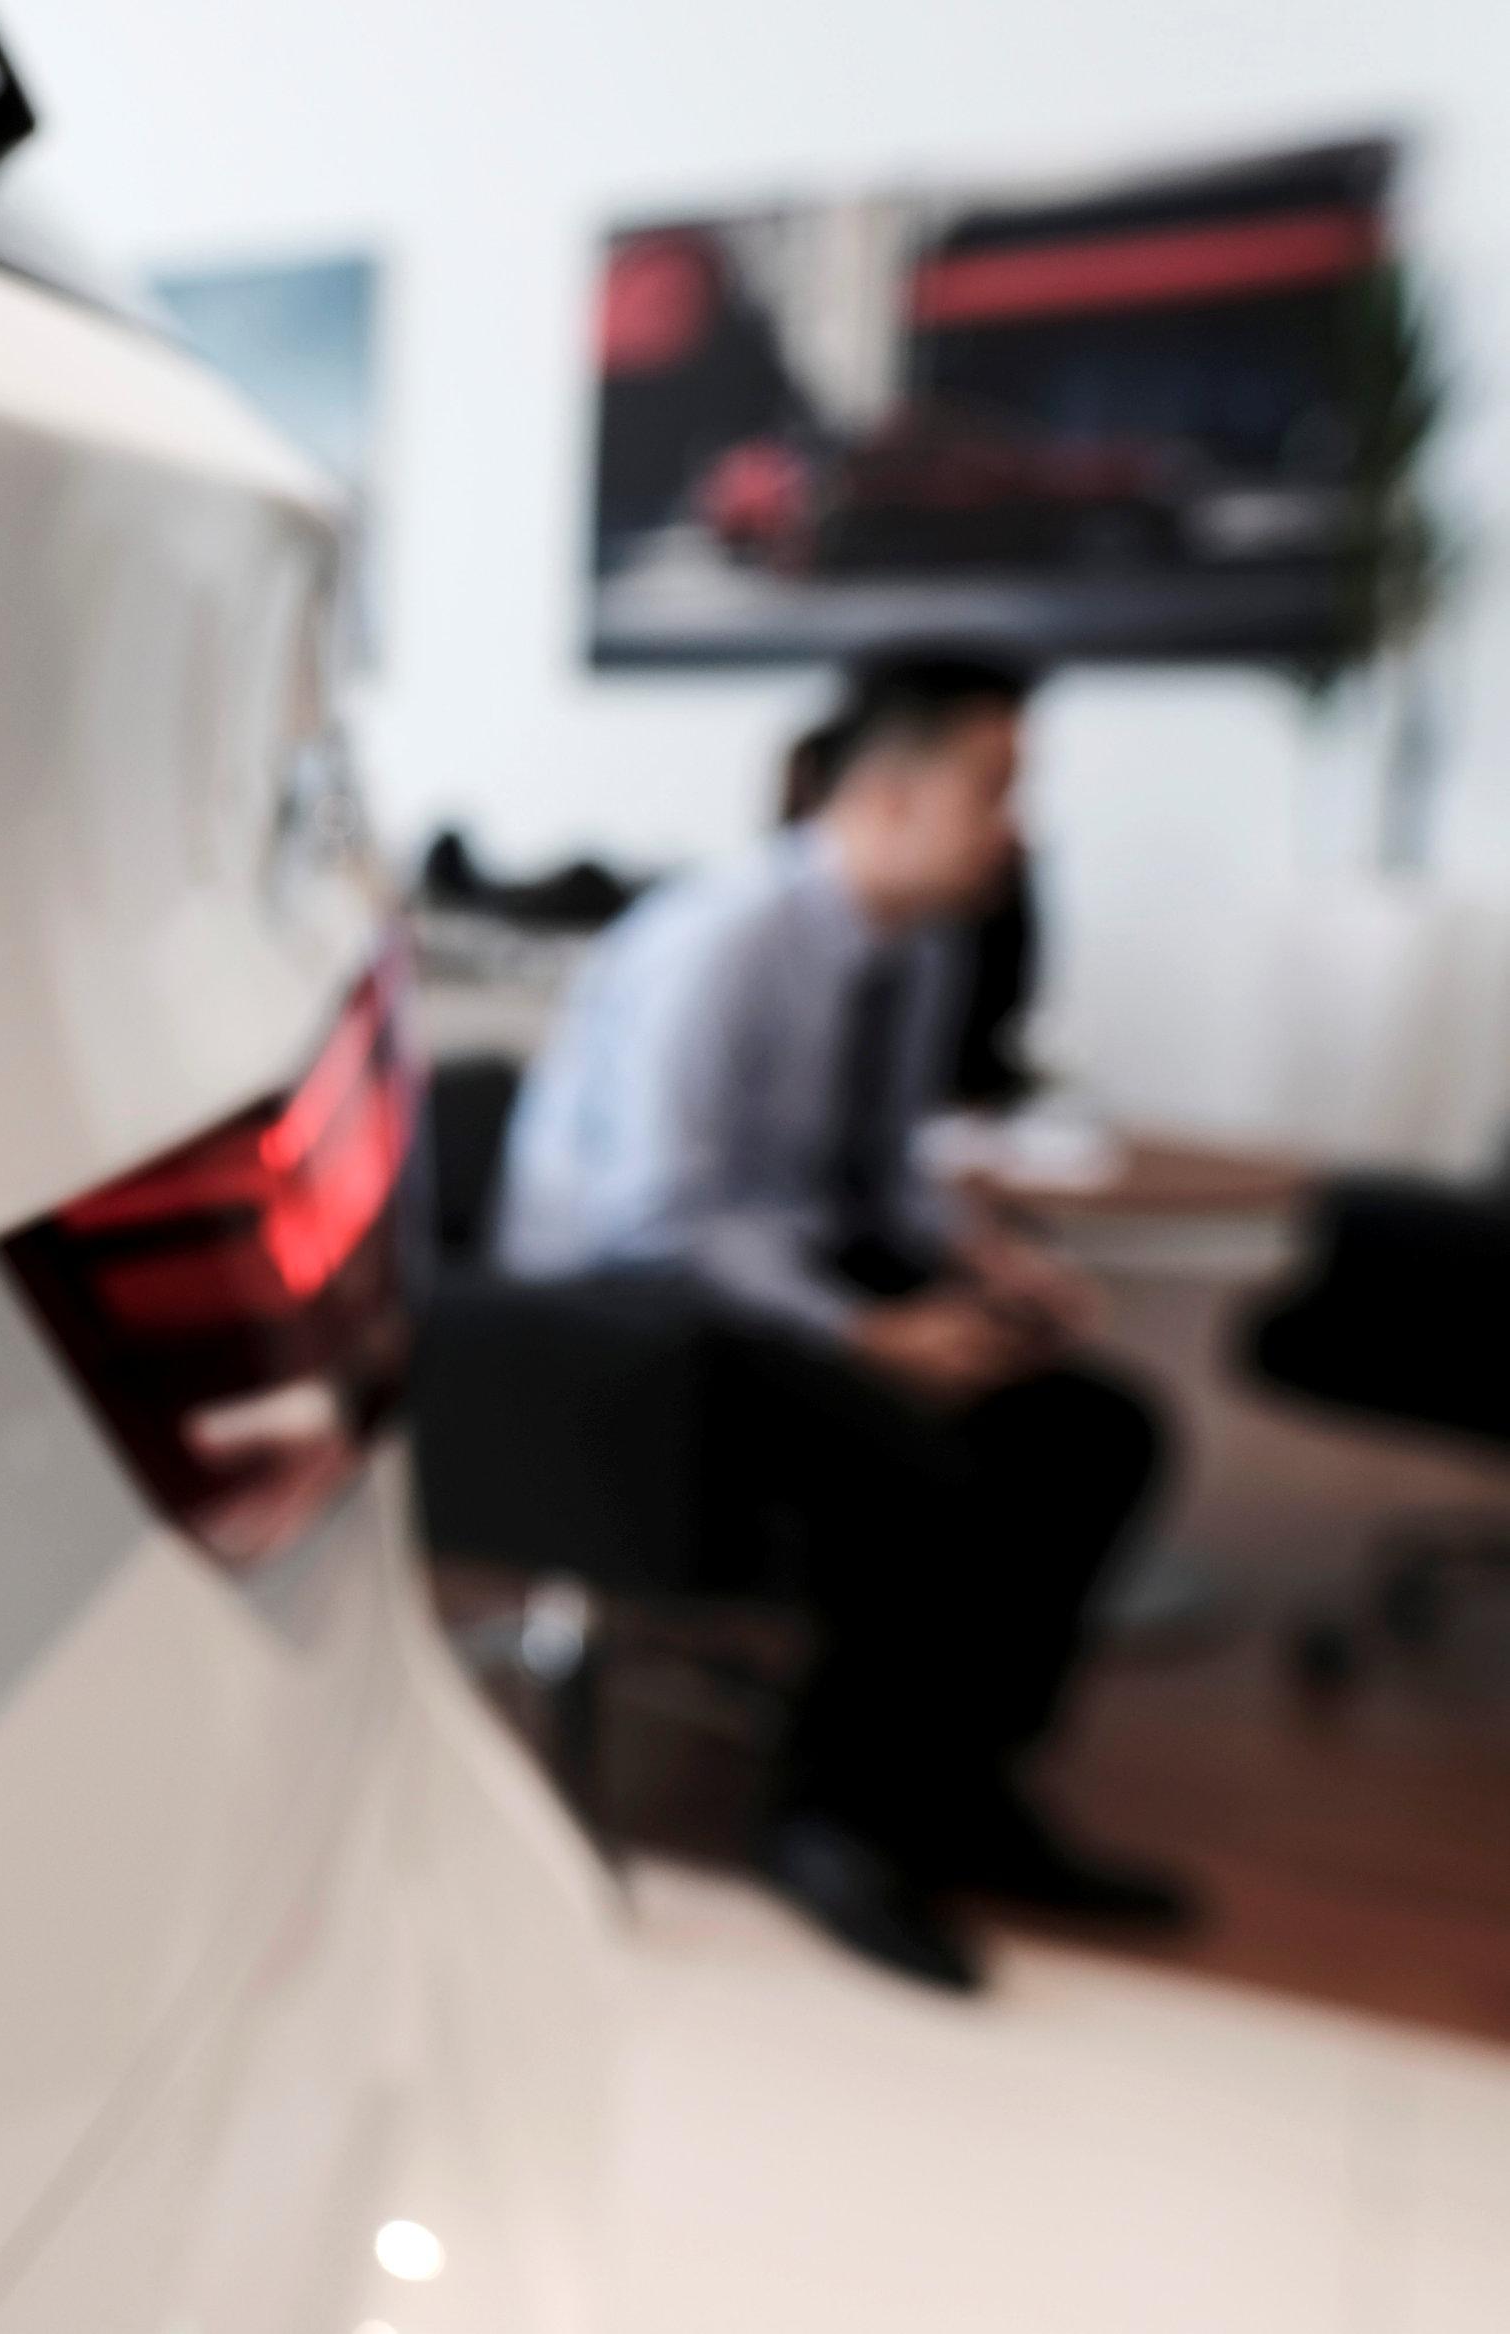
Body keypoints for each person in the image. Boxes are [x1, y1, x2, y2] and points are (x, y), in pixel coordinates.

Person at [498, 646, 1192, 1989]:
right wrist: (864, 1334)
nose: (1015, 830)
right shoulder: (718, 943)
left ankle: (965, 1783)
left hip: (767, 1273)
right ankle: (831, 1821)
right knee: (917, 1453)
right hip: (618, 1316)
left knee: (1099, 1430)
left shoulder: (915, 949)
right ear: (888, 794)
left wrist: (983, 1264)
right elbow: (658, 1216)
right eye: (995, 790)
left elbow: (878, 1176)